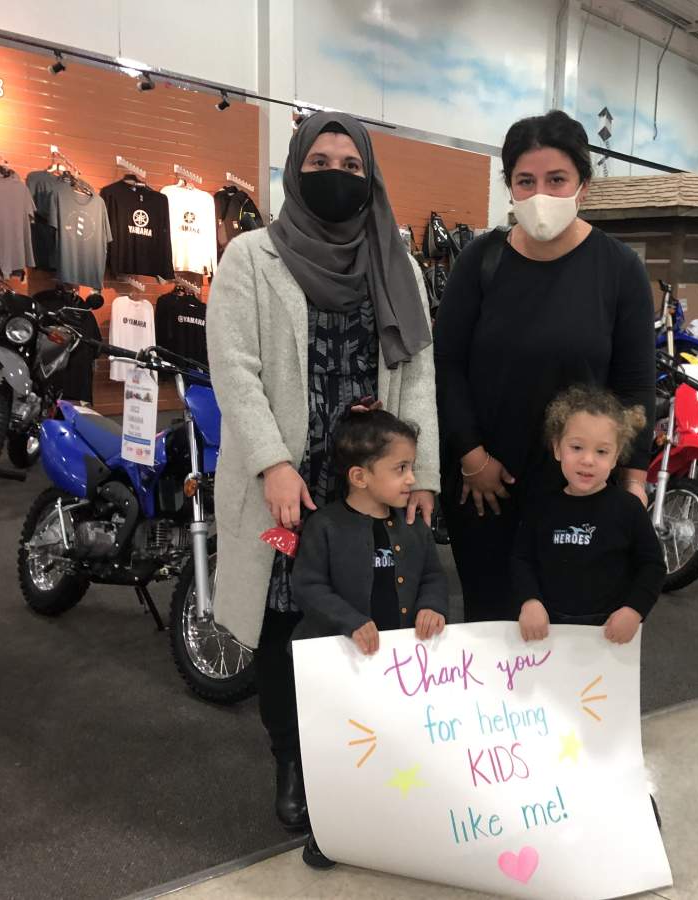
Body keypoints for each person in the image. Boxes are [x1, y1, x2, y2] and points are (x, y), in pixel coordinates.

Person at [206, 111, 439, 837]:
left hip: (370, 488)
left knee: (372, 616)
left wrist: (422, 472)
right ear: (295, 168)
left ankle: (364, 757)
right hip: (286, 487)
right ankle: (293, 762)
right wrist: (273, 464)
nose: (336, 174)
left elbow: (420, 374)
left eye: (350, 164)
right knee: (290, 626)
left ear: (369, 176)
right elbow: (235, 371)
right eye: (321, 161)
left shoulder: (394, 266)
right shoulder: (251, 256)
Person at [434, 109, 655, 624]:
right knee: (490, 621)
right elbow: (446, 364)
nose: (540, 195)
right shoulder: (480, 261)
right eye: (525, 181)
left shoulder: (619, 269)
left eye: (556, 180)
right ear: (509, 186)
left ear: (583, 185)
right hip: (484, 488)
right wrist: (472, 458)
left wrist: (634, 480)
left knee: (572, 624)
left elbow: (636, 384)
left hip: (581, 489)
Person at [291, 408, 449, 868]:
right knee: (341, 752)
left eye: (411, 467)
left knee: (398, 746)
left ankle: (398, 822)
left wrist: (433, 607)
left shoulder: (415, 526)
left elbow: (434, 578)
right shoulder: (326, 527)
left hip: (400, 672)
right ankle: (330, 831)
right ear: (359, 476)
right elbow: (307, 586)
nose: (411, 479)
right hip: (344, 672)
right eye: (400, 469)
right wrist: (348, 620)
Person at [512, 384, 664, 640]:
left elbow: (652, 566)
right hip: (548, 631)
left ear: (616, 457)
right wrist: (529, 601)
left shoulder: (628, 510)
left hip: (606, 634)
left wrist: (634, 610)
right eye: (577, 447)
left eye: (602, 451)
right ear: (558, 448)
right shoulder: (541, 506)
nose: (588, 460)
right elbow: (521, 559)